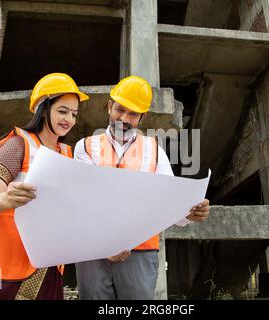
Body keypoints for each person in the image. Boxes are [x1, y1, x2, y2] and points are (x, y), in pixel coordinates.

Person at [74, 75, 210, 300]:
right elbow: (84, 201)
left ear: (142, 117)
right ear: (109, 106)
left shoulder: (155, 151)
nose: (124, 118)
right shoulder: (86, 147)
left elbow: (168, 202)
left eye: (133, 114)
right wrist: (105, 243)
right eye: (120, 109)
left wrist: (190, 211)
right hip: (93, 249)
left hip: (140, 251)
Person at [0, 73, 89, 300]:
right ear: (42, 109)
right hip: (5, 267)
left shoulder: (66, 154)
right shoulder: (17, 145)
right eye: (62, 111)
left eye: (74, 114)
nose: (70, 119)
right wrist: (5, 199)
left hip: (47, 266)